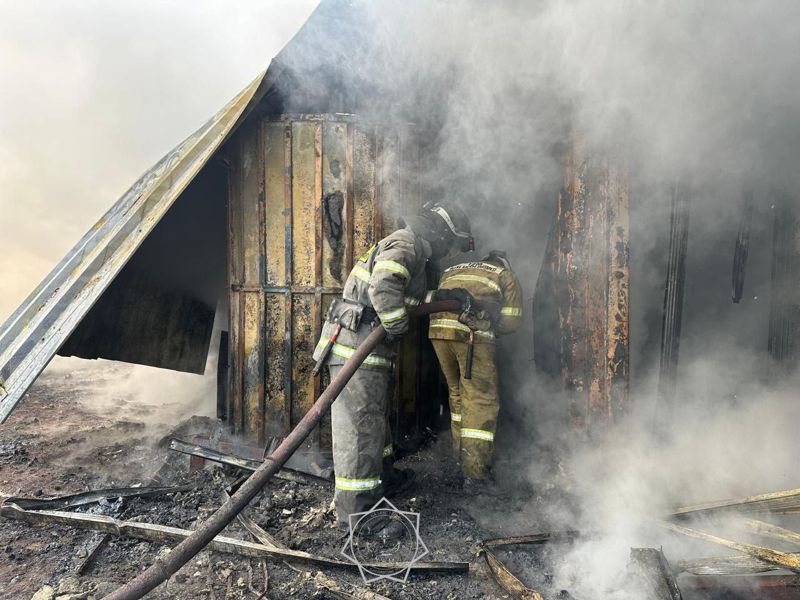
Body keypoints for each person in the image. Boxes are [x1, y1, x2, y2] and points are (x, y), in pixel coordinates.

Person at [313, 202, 477, 534]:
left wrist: (446, 296)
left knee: (373, 423)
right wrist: (397, 325)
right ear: (440, 233)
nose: (449, 252)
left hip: (366, 350)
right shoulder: (406, 243)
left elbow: (410, 297)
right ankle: (358, 515)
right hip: (355, 349)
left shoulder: (414, 252)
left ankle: (383, 478)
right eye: (451, 243)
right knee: (360, 429)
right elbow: (384, 287)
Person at [428, 250, 523, 492]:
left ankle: (459, 460)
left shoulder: (453, 270)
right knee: (480, 400)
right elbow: (512, 320)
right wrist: (492, 328)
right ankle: (476, 474)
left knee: (457, 394)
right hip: (471, 335)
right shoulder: (504, 274)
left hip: (438, 333)